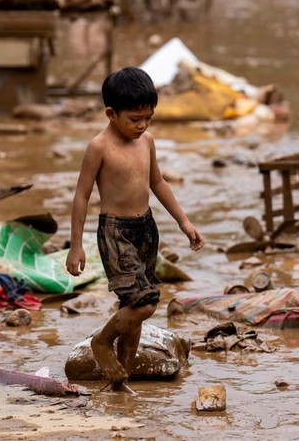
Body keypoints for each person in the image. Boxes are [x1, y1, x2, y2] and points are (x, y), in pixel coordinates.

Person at [65, 67, 203, 391]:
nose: (142, 126)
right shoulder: (99, 147)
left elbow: (157, 182)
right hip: (116, 232)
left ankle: (120, 379)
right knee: (145, 303)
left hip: (146, 228)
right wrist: (75, 245)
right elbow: (81, 195)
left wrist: (184, 221)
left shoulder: (147, 141)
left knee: (133, 309)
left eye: (148, 118)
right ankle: (101, 343)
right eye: (135, 119)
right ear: (111, 114)